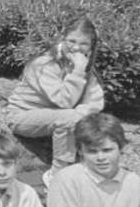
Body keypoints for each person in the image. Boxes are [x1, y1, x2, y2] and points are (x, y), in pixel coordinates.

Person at [8, 18, 104, 187]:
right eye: (72, 41)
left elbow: (94, 103)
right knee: (70, 118)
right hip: (23, 116)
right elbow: (64, 101)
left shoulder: (87, 70)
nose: (76, 48)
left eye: (83, 44)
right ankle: (57, 174)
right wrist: (78, 70)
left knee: (95, 125)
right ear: (62, 39)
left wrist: (80, 115)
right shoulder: (44, 63)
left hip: (58, 118)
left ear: (91, 47)